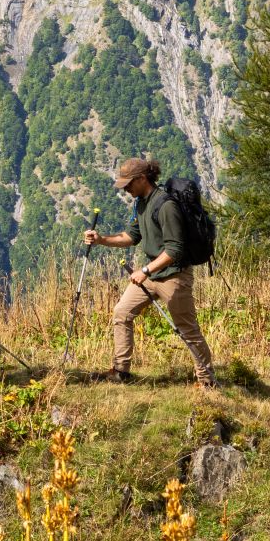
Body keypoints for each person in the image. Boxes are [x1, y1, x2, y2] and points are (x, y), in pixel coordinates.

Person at [84, 157, 216, 389]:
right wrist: (101, 240)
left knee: (187, 329)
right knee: (122, 313)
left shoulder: (166, 206)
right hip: (152, 274)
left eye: (128, 184)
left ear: (142, 179)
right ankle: (120, 371)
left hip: (174, 276)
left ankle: (207, 381)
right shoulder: (141, 203)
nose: (125, 189)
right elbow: (131, 237)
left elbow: (175, 250)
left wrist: (145, 270)